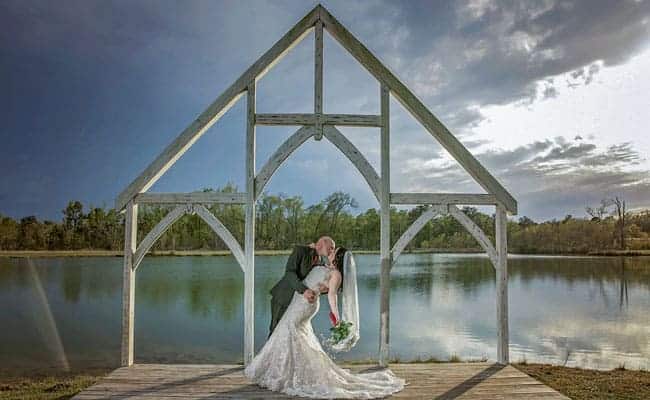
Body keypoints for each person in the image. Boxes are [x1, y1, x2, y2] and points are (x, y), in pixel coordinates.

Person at [245, 246, 406, 398]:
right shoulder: (326, 267)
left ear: (338, 258)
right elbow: (318, 283)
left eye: (334, 251)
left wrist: (336, 319)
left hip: (305, 306)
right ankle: (283, 371)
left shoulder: (336, 274)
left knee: (289, 330)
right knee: (292, 333)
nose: (331, 251)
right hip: (300, 301)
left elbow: (332, 297)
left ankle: (284, 374)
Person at [268, 236, 335, 338]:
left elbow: (314, 282)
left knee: (292, 334)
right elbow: (289, 273)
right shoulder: (300, 250)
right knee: (276, 331)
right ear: (322, 243)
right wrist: (304, 290)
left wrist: (324, 290)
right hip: (284, 297)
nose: (332, 250)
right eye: (331, 247)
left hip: (298, 304)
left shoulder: (321, 262)